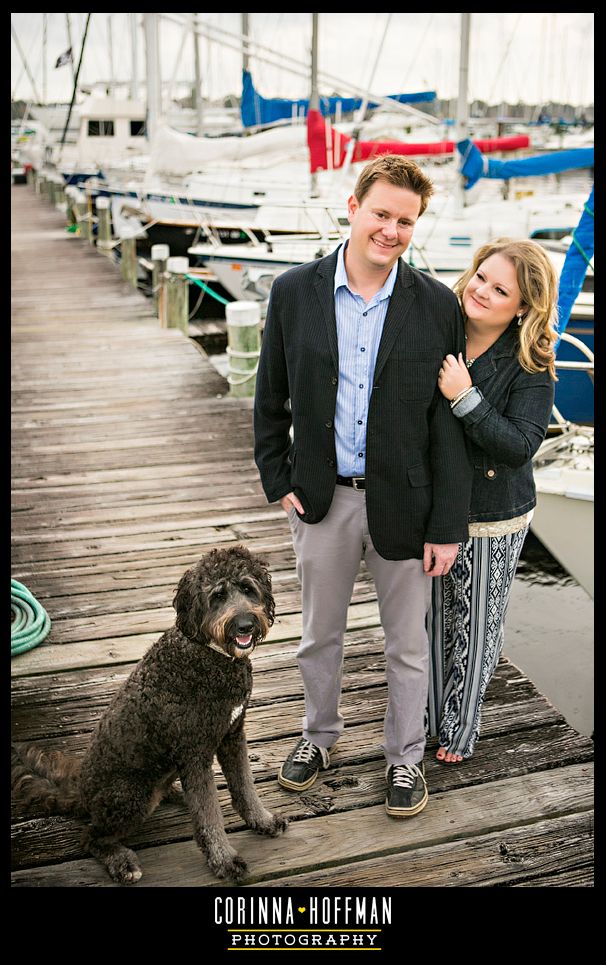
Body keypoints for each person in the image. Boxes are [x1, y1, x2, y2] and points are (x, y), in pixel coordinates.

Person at [253, 154, 472, 818]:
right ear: (353, 207)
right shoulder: (294, 290)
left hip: (406, 504)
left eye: (406, 221)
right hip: (323, 498)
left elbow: (446, 427)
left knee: (407, 644)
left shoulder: (435, 304)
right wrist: (279, 476)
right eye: (381, 213)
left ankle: (404, 758)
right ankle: (317, 736)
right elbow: (271, 398)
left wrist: (447, 525)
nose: (392, 230)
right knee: (320, 633)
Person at [427, 237, 559, 764]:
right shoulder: (441, 331)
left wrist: (465, 397)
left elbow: (520, 445)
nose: (481, 290)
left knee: (477, 623)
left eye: (499, 288)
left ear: (522, 305)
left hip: (494, 516)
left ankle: (460, 730)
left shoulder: (531, 361)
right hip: (436, 509)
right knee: (433, 621)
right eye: (481, 276)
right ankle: (428, 719)